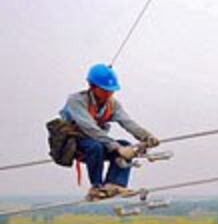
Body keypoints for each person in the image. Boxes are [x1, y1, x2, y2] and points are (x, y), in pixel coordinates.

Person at [60, 64, 159, 201]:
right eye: (105, 90)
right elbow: (90, 128)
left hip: (99, 140)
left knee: (126, 144)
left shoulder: (112, 105)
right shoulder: (76, 101)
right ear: (92, 86)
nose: (109, 94)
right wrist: (117, 148)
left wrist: (146, 136)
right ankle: (97, 187)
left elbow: (127, 122)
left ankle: (113, 184)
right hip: (76, 143)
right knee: (96, 146)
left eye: (111, 91)